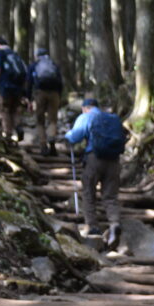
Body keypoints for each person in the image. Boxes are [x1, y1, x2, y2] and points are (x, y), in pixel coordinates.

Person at [63, 99, 126, 237]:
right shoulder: (112, 118)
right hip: (114, 161)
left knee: (88, 192)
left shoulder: (86, 117)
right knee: (110, 196)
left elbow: (75, 137)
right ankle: (115, 223)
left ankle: (92, 226)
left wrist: (67, 134)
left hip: (94, 159)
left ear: (85, 108)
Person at [27, 48, 64, 156]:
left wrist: (29, 99)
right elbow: (60, 82)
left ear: (37, 55)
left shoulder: (34, 65)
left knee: (40, 121)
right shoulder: (53, 64)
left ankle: (43, 146)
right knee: (53, 120)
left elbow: (29, 82)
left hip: (40, 93)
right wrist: (59, 96)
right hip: (54, 93)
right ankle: (51, 138)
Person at [0, 37, 27, 142]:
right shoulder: (15, 54)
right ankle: (18, 126)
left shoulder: (0, 53)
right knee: (14, 110)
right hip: (18, 88)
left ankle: (7, 134)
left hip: (5, 87)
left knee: (4, 109)